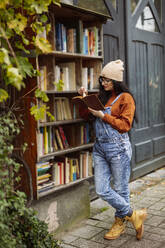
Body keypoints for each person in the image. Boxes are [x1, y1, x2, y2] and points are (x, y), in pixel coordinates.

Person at [78, 59, 147, 240]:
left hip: (118, 148)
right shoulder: (100, 97)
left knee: (121, 188)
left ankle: (119, 224)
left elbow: (125, 125)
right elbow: (85, 117)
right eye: (102, 79)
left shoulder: (126, 98)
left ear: (116, 80)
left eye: (107, 80)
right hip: (100, 147)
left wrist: (103, 116)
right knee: (101, 189)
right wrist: (85, 99)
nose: (104, 83)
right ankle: (134, 215)